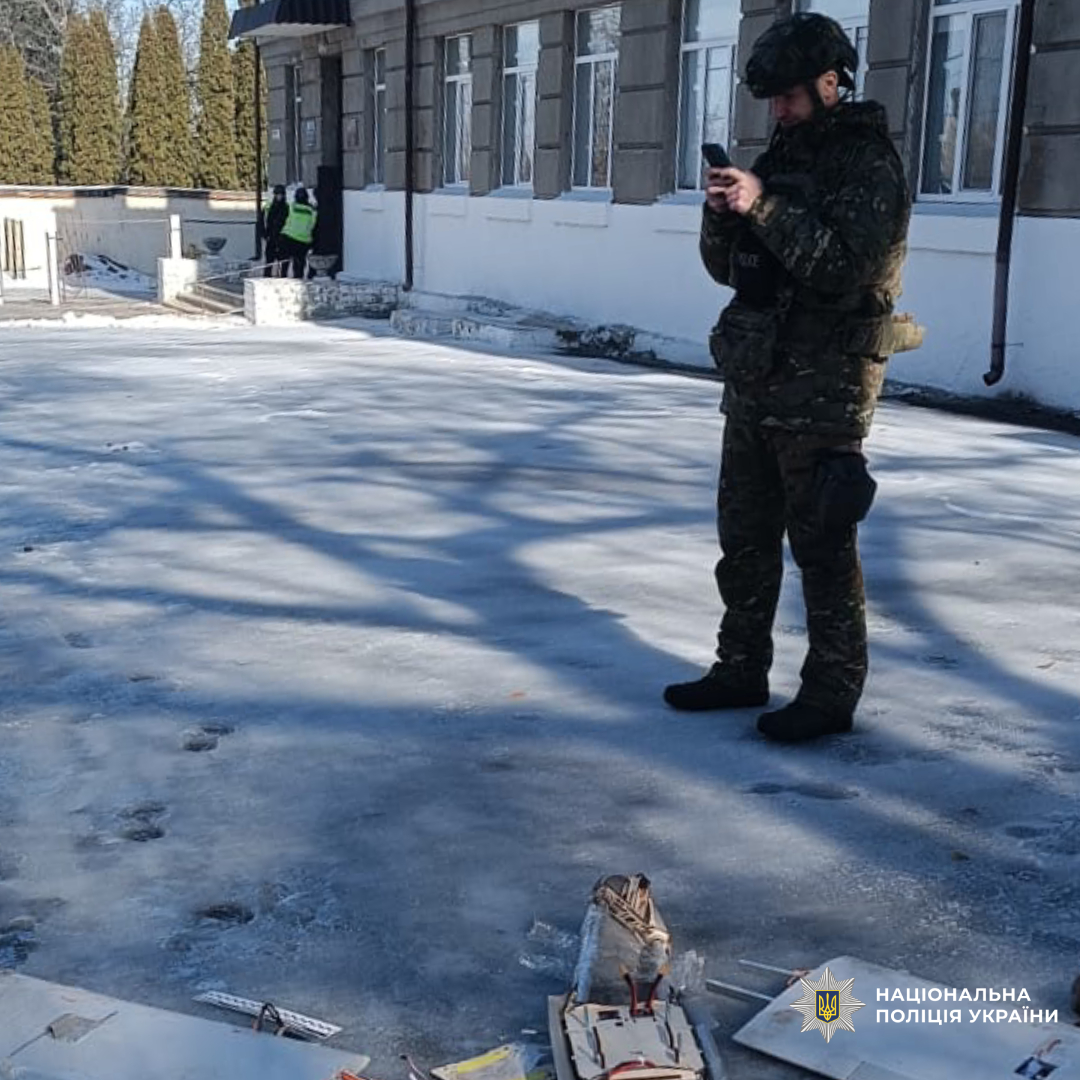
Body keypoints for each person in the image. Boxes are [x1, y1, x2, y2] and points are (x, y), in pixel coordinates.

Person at [663, 13, 912, 743]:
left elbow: (843, 267)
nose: (778, 111)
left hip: (825, 387)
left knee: (823, 548)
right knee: (743, 539)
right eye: (771, 99)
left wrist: (762, 204)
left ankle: (831, 691)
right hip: (756, 375)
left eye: (789, 97)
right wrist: (723, 215)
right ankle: (739, 666)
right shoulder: (782, 154)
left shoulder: (868, 165)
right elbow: (729, 271)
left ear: (831, 82)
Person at [278, 187, 317, 279]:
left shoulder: (292, 207)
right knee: (299, 264)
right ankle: (298, 281)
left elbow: (284, 220)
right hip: (303, 241)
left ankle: (282, 280)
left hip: (289, 237)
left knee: (285, 262)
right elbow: (313, 225)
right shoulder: (312, 211)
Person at [260, 184, 288, 277]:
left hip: (282, 238)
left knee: (283, 263)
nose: (279, 196)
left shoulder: (287, 208)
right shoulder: (268, 207)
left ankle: (282, 280)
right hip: (271, 237)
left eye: (281, 194)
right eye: (277, 194)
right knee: (269, 261)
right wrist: (264, 234)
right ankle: (266, 279)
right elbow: (261, 221)